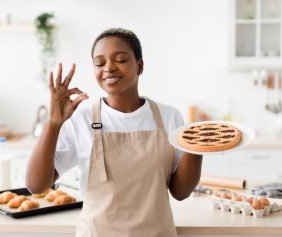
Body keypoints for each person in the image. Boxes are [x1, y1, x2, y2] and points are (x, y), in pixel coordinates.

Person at [26, 28, 203, 236]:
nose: (109, 67)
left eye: (120, 59)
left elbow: (180, 192)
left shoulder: (169, 117)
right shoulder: (82, 119)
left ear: (140, 66)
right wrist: (54, 123)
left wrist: (197, 147)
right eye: (99, 63)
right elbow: (36, 185)